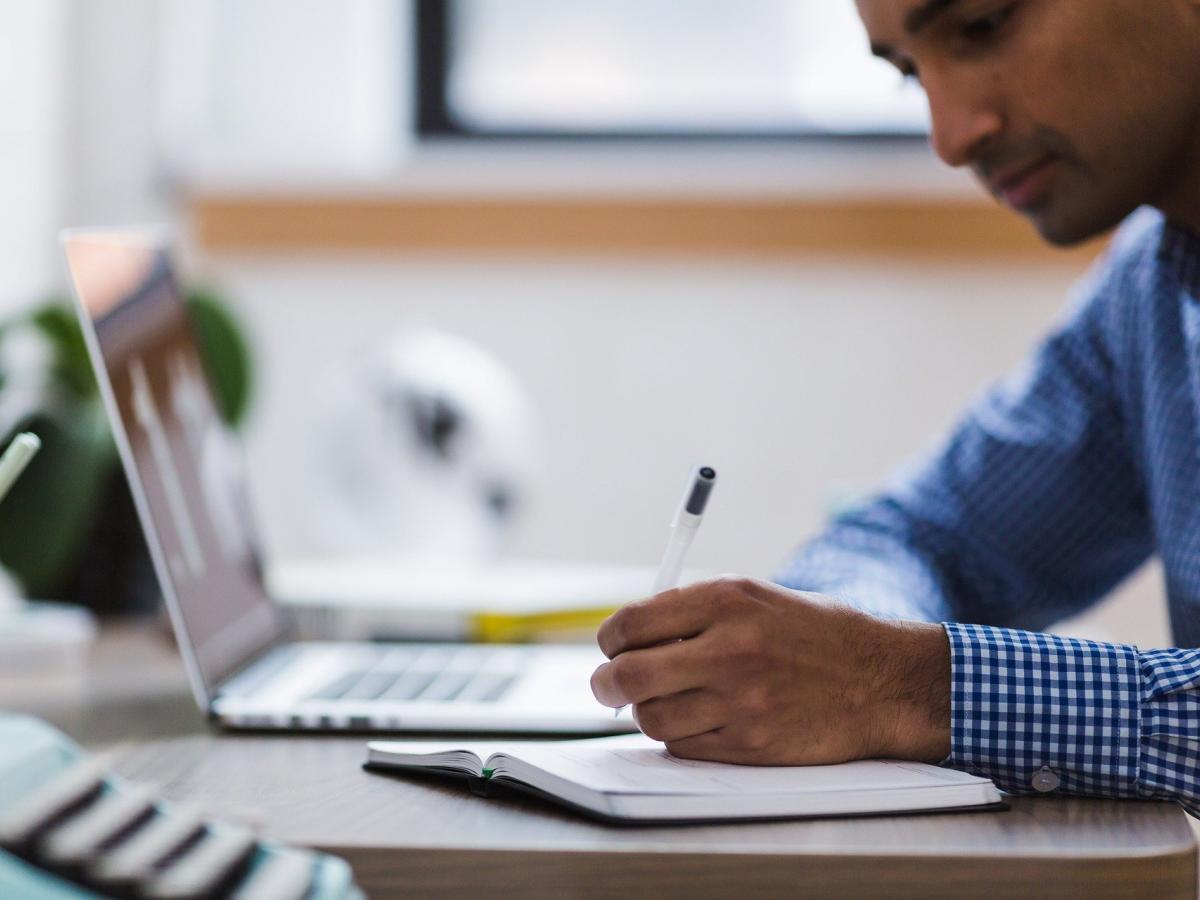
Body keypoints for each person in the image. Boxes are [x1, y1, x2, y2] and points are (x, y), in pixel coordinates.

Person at [589, 0, 1200, 812]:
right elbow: (923, 536)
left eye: (983, 26)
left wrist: (904, 685)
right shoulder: (1153, 290)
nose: (950, 139)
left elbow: (896, 669)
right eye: (910, 73)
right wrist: (826, 658)